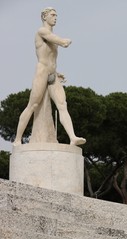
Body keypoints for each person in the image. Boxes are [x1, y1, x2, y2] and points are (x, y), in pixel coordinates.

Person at [14, 7, 86, 146]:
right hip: (41, 72)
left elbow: (51, 59)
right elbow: (60, 42)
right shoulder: (41, 32)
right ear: (44, 17)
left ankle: (73, 137)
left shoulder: (51, 35)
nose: (55, 17)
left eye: (56, 15)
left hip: (53, 74)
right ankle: (17, 139)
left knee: (62, 105)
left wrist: (57, 73)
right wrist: (65, 41)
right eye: (53, 15)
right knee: (32, 105)